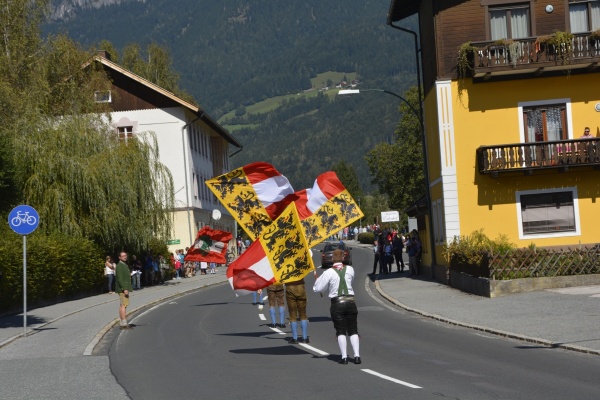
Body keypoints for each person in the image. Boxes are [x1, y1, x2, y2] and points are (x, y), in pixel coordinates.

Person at [313, 249, 360, 364]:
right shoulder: (350, 269)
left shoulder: (328, 272)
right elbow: (350, 281)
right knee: (353, 330)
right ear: (343, 258)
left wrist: (317, 281)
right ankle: (357, 356)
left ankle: (344, 357)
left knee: (341, 331)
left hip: (337, 303)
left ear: (333, 259)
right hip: (350, 301)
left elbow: (318, 289)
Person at [285, 271, 313, 344]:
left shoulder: (285, 263)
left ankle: (295, 338)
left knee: (292, 314)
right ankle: (304, 337)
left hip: (290, 287)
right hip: (300, 286)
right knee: (303, 314)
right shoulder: (300, 262)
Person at [115, 251, 134, 329]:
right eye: (123, 256)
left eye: (125, 255)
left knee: (122, 305)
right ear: (119, 257)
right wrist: (124, 289)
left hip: (123, 288)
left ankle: (122, 321)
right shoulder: (120, 266)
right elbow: (120, 279)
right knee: (124, 305)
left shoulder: (124, 265)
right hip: (123, 289)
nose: (125, 257)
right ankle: (124, 323)